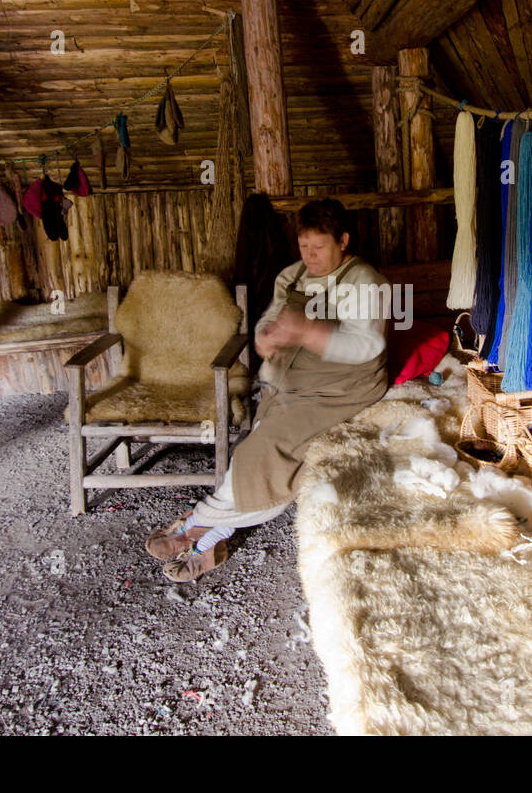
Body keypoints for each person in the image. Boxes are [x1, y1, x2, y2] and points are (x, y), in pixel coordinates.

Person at [145, 198, 391, 582]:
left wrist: (309, 331)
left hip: (342, 388)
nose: (309, 256)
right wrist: (266, 335)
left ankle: (196, 522)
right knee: (260, 451)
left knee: (259, 455)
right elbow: (270, 317)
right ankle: (214, 538)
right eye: (303, 246)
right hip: (294, 384)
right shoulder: (292, 276)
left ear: (343, 240)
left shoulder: (365, 281)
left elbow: (367, 345)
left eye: (319, 247)